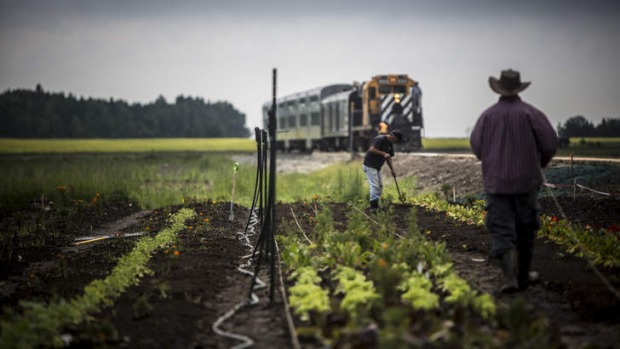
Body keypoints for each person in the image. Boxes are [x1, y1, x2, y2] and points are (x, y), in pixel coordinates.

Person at [470, 69, 558, 293]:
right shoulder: (532, 114)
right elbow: (549, 144)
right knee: (526, 228)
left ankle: (509, 278)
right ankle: (523, 276)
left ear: (499, 88)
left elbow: (477, 147)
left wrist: (492, 160)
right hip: (526, 182)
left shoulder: (487, 116)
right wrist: (539, 163)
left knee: (500, 229)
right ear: (518, 88)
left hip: (496, 184)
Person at [363, 129, 403, 211]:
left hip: (377, 167)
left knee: (380, 186)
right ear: (393, 137)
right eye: (396, 141)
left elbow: (388, 158)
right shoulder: (380, 139)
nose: (395, 143)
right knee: (375, 186)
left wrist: (392, 170)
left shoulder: (390, 144)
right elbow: (372, 149)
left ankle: (377, 204)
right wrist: (383, 153)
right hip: (369, 165)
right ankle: (373, 207)